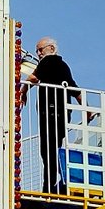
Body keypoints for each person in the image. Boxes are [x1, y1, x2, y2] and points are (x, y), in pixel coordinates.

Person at [28, 37, 79, 194]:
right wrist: (88, 109)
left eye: (40, 50)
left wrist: (22, 92)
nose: (38, 53)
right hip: (62, 114)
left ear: (50, 48)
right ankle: (60, 178)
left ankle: (48, 188)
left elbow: (32, 78)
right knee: (54, 148)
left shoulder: (48, 61)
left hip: (49, 113)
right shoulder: (64, 66)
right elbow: (74, 89)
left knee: (47, 151)